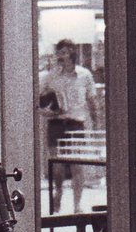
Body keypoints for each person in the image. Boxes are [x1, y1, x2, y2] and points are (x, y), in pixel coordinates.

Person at [39, 38, 100, 213]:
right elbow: (39, 101)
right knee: (57, 166)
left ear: (72, 53)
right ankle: (58, 192)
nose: (61, 57)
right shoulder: (50, 76)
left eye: (64, 53)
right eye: (59, 53)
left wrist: (95, 122)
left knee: (77, 165)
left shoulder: (84, 75)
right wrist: (47, 111)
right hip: (56, 124)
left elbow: (92, 100)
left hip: (75, 124)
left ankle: (77, 205)